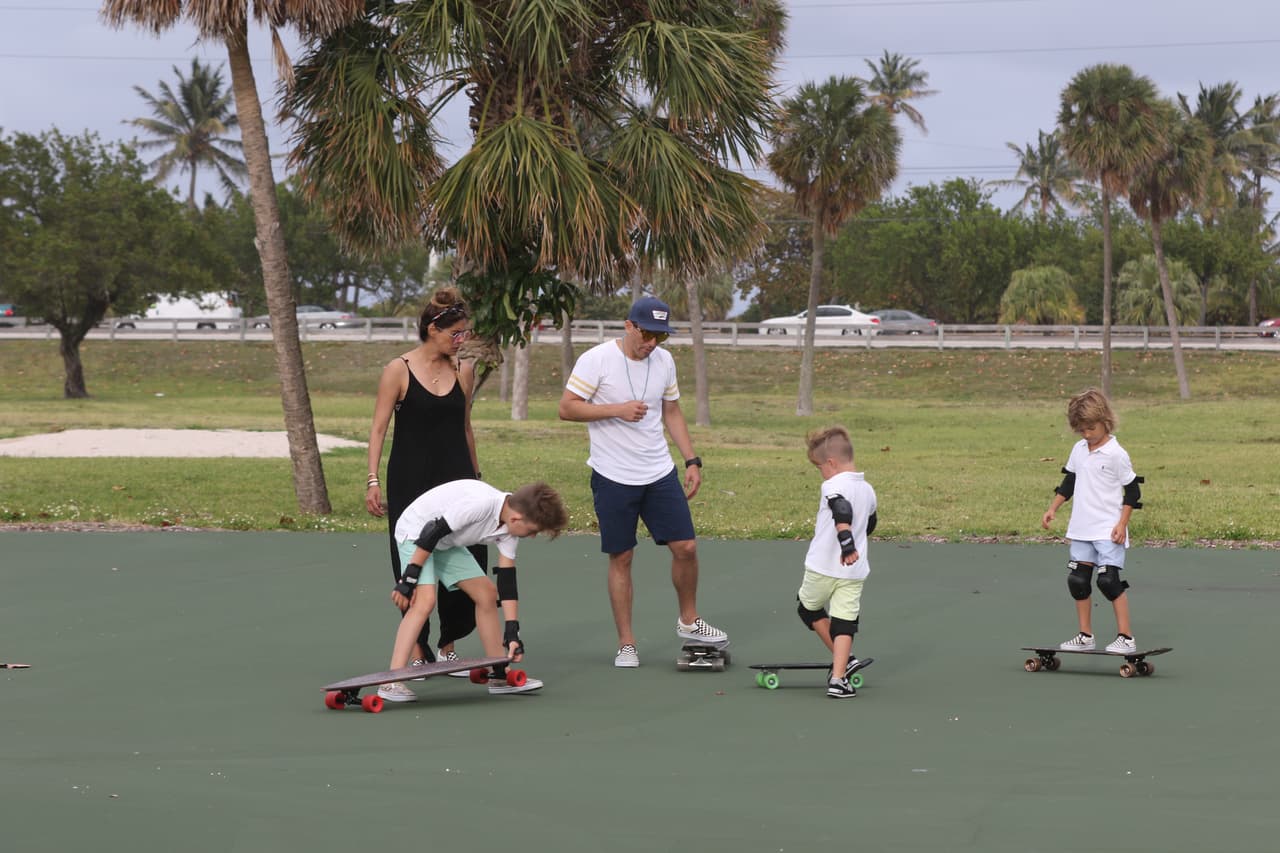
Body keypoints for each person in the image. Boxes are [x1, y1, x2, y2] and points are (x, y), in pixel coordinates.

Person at [558, 295, 727, 667]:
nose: (652, 343)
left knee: (686, 547)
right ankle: (627, 644)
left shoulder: (664, 361)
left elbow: (672, 409)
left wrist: (691, 460)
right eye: (648, 334)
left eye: (661, 337)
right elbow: (567, 407)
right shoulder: (597, 360)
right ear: (629, 325)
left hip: (658, 472)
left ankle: (689, 620)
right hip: (613, 475)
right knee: (622, 556)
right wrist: (616, 410)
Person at [365, 288, 487, 672]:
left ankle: (449, 642)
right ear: (433, 329)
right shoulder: (397, 370)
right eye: (456, 334)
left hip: (456, 477)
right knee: (413, 559)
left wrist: (477, 478)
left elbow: (465, 428)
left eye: (465, 333)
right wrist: (372, 480)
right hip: (410, 477)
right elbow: (379, 428)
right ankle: (417, 649)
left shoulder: (463, 370)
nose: (461, 340)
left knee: (468, 556)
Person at [379, 478, 569, 702]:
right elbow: (432, 531)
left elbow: (507, 581)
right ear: (517, 518)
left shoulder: (510, 525)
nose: (533, 536)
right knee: (425, 601)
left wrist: (511, 632)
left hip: (444, 542)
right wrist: (409, 579)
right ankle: (391, 682)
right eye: (532, 531)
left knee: (487, 594)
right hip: (416, 533)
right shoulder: (481, 505)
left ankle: (499, 674)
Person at [1041, 388, 1144, 654]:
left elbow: (1133, 491)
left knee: (1108, 581)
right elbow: (1070, 481)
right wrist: (1053, 508)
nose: (1087, 435)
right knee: (1078, 580)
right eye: (1081, 430)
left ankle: (1126, 637)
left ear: (1105, 420)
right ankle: (1085, 636)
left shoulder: (1116, 454)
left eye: (1091, 428)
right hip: (1082, 528)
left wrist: (1122, 524)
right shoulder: (1079, 449)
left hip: (1108, 529)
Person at [798, 426, 878, 699]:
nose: (820, 472)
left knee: (808, 609)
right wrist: (855, 543)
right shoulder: (868, 490)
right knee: (845, 622)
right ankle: (839, 677)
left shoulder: (832, 485)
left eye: (819, 466)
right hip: (854, 571)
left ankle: (842, 658)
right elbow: (870, 524)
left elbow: (840, 508)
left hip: (822, 566)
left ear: (830, 463)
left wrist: (846, 543)